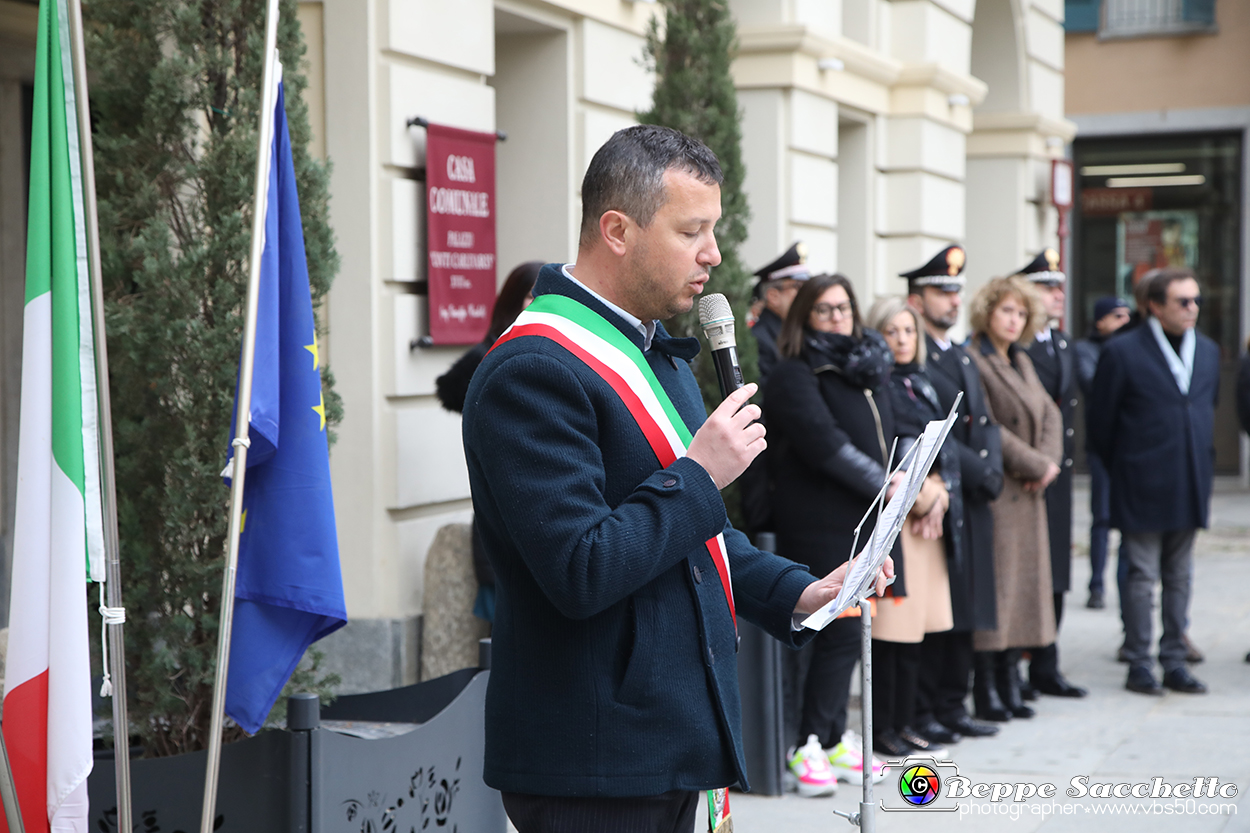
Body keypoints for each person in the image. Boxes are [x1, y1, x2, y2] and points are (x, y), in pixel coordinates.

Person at [461, 125, 890, 832]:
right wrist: (700, 472)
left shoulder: (653, 350)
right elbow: (582, 566)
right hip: (592, 757)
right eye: (692, 230)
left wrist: (798, 589)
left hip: (667, 736)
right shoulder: (531, 370)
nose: (714, 254)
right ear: (617, 229)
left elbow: (700, 538)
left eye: (712, 229)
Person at [765, 273, 898, 791]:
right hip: (817, 522)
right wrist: (888, 484)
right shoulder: (797, 373)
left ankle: (833, 734)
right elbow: (826, 446)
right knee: (818, 631)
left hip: (863, 522)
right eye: (825, 310)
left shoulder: (860, 368)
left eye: (844, 307)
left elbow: (889, 430)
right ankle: (804, 745)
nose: (838, 317)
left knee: (847, 634)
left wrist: (902, 478)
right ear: (804, 318)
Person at [1089, 267, 1217, 696]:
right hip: (1141, 480)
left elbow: (1206, 409)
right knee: (1141, 575)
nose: (1192, 308)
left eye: (1196, 300)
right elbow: (1101, 425)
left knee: (1180, 576)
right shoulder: (1123, 351)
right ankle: (1140, 662)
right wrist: (1124, 466)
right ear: (1155, 306)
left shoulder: (1209, 351)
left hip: (1190, 480)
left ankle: (1175, 659)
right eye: (1183, 301)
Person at [904, 246, 1005, 738]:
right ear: (916, 301)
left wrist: (991, 466)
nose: (952, 300)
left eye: (955, 292)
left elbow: (985, 421)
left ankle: (953, 704)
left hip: (971, 493)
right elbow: (930, 428)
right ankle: (927, 708)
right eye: (940, 292)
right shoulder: (914, 355)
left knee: (966, 602)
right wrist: (979, 469)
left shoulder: (960, 352)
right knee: (938, 607)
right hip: (943, 493)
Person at [967, 276, 1061, 721]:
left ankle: (1011, 679)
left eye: (1021, 313)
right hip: (1002, 491)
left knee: (1024, 589)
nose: (1014, 319)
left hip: (1030, 492)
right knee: (1001, 589)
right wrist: (1035, 465)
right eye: (1006, 310)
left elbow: (1051, 413)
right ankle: (986, 687)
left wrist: (1050, 462)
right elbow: (989, 427)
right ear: (987, 312)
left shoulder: (1021, 360)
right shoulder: (976, 358)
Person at [866, 296, 957, 758]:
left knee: (918, 631)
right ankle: (886, 726)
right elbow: (887, 458)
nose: (902, 340)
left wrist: (940, 495)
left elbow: (943, 453)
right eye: (891, 331)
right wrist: (925, 497)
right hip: (898, 520)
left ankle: (908, 720)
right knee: (893, 635)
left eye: (908, 331)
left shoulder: (921, 382)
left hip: (928, 519)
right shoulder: (878, 385)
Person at [436, 261, 543, 622]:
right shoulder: (492, 357)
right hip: (504, 526)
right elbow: (449, 390)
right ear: (514, 300)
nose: (542, 303)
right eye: (532, 295)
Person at [1018, 251, 1087, 699]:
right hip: (1027, 474)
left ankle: (1048, 664)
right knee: (1027, 569)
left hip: (1058, 475)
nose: (1057, 295)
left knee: (1057, 571)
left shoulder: (1062, 343)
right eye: (1047, 287)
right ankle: (1017, 665)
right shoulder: (1018, 346)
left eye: (1059, 287)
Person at [1073, 296, 1130, 610]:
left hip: (1130, 448)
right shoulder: (1087, 350)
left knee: (1130, 523)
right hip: (1101, 446)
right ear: (1100, 322)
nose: (1124, 321)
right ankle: (1096, 585)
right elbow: (1095, 385)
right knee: (1102, 517)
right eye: (1117, 316)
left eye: (1127, 315)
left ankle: (1127, 591)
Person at [749, 242, 810, 387]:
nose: (806, 293)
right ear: (773, 296)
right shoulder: (759, 340)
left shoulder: (798, 330)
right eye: (798, 287)